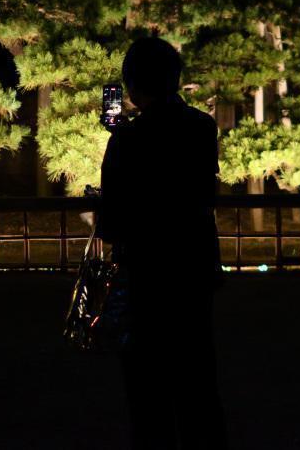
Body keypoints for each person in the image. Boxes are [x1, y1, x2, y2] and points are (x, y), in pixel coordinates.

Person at [99, 37, 227, 449]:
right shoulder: (202, 127)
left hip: (146, 273)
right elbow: (204, 195)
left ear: (132, 87)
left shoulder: (127, 139)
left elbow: (112, 219)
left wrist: (117, 138)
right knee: (197, 380)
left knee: (147, 389)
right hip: (192, 266)